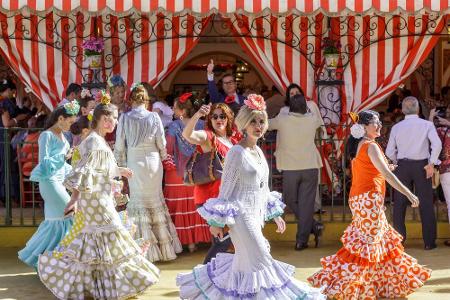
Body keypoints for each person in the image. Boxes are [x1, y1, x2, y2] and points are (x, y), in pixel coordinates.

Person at [177, 94, 325, 300]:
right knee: (262, 259)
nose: (258, 125)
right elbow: (226, 191)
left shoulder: (257, 151)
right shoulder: (236, 153)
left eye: (262, 121)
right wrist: (216, 222)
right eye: (253, 121)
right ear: (244, 125)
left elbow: (262, 188)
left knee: (245, 268)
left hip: (255, 215)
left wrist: (275, 214)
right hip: (240, 216)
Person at [38, 97, 160, 299]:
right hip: (95, 199)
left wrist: (119, 170)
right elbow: (85, 173)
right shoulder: (94, 141)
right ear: (100, 119)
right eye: (109, 118)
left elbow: (98, 169)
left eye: (114, 118)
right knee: (111, 234)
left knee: (100, 240)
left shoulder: (97, 139)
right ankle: (111, 285)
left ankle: (99, 286)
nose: (113, 122)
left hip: (98, 197)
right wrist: (75, 199)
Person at [308, 110, 431, 299]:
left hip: (361, 200)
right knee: (369, 246)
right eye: (376, 122)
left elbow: (371, 169)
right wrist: (409, 193)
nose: (380, 125)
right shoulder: (370, 146)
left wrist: (385, 168)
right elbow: (388, 176)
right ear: (364, 127)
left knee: (375, 244)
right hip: (368, 201)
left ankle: (372, 286)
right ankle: (349, 286)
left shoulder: (361, 144)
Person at [114, 84, 182, 262]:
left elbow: (120, 145)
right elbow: (162, 143)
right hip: (153, 163)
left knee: (138, 203)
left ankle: (142, 249)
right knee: (156, 201)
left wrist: (120, 166)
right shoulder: (154, 117)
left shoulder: (125, 117)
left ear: (131, 100)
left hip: (134, 162)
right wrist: (162, 156)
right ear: (146, 100)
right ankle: (164, 249)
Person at [18, 101, 79, 268]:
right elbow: (43, 162)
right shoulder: (46, 135)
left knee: (60, 220)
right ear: (60, 118)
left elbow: (62, 165)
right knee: (68, 215)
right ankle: (51, 261)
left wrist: (75, 174)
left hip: (59, 181)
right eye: (70, 121)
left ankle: (51, 263)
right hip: (50, 182)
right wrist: (63, 157)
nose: (71, 125)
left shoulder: (63, 136)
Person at [182, 102, 240, 264]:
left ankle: (217, 279)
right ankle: (203, 277)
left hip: (225, 199)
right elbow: (188, 135)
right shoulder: (208, 137)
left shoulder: (232, 140)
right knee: (225, 241)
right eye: (214, 117)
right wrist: (198, 115)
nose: (218, 119)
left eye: (222, 116)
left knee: (227, 242)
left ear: (228, 118)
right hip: (211, 199)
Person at [268, 94, 324, 251]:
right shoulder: (312, 119)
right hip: (310, 165)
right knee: (305, 204)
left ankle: (303, 239)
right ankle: (311, 227)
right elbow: (319, 120)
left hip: (291, 167)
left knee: (290, 200)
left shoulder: (283, 119)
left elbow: (267, 124)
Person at [386, 96, 441, 250]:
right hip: (422, 165)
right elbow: (437, 144)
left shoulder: (396, 127)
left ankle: (399, 242)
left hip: (402, 165)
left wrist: (397, 162)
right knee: (426, 204)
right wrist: (432, 162)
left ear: (403, 110)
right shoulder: (426, 125)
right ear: (418, 109)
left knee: (399, 204)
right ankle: (429, 242)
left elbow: (390, 151)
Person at [164, 93, 211, 253]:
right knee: (194, 204)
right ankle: (195, 242)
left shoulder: (173, 126)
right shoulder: (201, 124)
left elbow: (169, 149)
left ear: (181, 111)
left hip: (176, 172)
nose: (172, 110)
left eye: (175, 108)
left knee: (179, 208)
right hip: (196, 172)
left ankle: (186, 243)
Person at [280, 83, 327, 214]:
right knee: (292, 185)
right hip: (291, 151)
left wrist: (322, 138)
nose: (295, 95)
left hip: (309, 148)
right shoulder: (284, 110)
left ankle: (316, 207)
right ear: (288, 97)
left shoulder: (311, 105)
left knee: (312, 183)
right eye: (292, 94)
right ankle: (295, 209)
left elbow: (319, 123)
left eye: (297, 93)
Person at [0, 79, 28, 205]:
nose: (13, 94)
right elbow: (6, 124)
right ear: (9, 90)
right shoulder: (4, 102)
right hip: (2, 139)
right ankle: (8, 198)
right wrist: (17, 119)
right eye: (13, 92)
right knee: (7, 166)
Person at [429, 105, 450, 247]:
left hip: (446, 170)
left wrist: (431, 117)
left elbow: (429, 137)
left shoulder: (441, 130)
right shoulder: (442, 130)